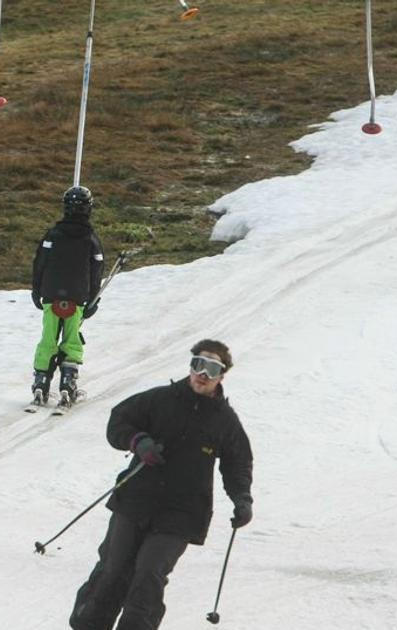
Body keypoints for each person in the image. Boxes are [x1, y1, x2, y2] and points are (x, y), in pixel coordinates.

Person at [68, 339, 254, 630]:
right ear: (190, 366)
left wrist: (242, 499)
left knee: (149, 574)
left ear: (221, 376)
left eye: (213, 368)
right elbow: (119, 420)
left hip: (182, 513)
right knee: (114, 569)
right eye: (198, 364)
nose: (203, 374)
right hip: (135, 500)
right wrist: (138, 442)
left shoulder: (225, 421)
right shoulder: (160, 399)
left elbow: (238, 463)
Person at [30, 185, 105, 406]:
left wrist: (37, 290)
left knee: (48, 337)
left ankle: (41, 381)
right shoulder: (91, 239)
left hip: (51, 295)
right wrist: (92, 299)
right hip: (77, 297)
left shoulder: (52, 235)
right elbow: (97, 269)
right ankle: (68, 380)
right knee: (71, 339)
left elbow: (40, 263)